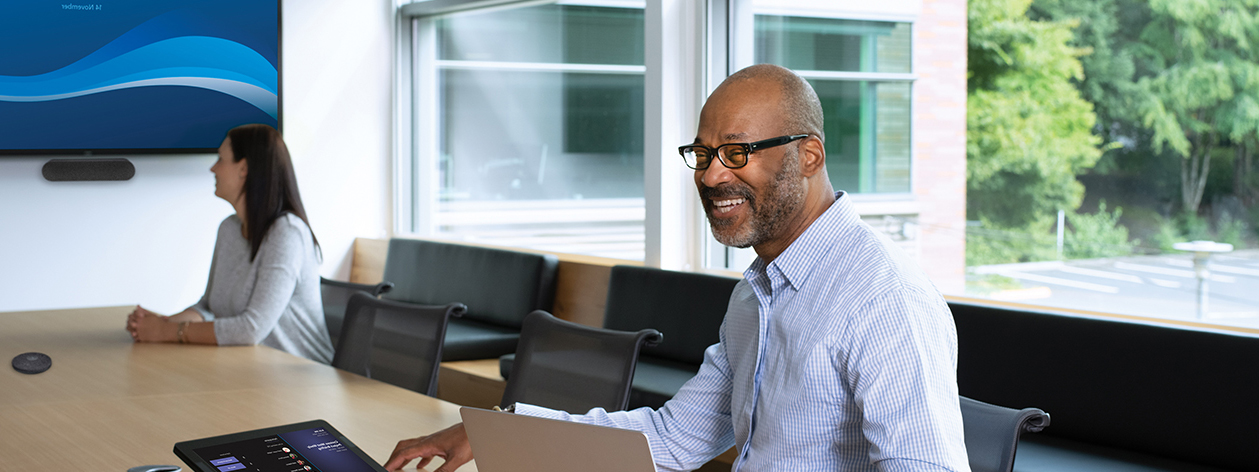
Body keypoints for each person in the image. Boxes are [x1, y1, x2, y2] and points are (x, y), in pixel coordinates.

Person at [384, 64, 968, 471]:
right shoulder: (757, 294)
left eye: (738, 153)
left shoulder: (883, 298)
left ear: (808, 155)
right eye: (704, 154)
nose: (712, 176)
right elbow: (674, 440)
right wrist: (495, 430)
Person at [126, 124, 334, 365]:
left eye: (221, 159)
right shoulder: (229, 229)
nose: (213, 167)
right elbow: (208, 309)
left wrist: (168, 333)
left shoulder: (287, 233)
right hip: (252, 370)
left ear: (244, 168)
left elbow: (251, 329)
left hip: (304, 379)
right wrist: (160, 324)